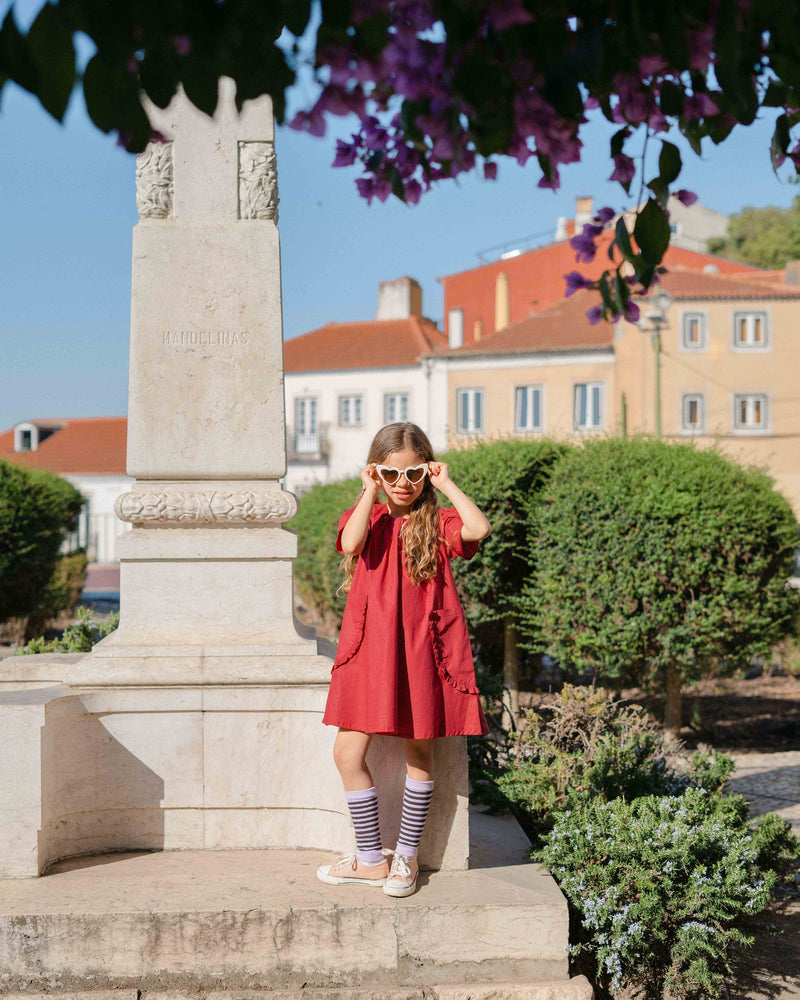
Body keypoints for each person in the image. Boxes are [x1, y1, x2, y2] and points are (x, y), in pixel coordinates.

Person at [316, 422, 491, 897]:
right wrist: (370, 490)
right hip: (369, 651)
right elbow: (350, 544)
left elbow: (479, 528)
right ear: (375, 471)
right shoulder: (367, 517)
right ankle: (371, 858)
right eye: (392, 474)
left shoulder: (436, 522)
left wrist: (445, 482)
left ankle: (406, 858)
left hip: (419, 652)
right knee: (347, 752)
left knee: (419, 752)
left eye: (414, 473)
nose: (403, 484)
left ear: (426, 471)